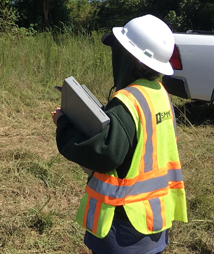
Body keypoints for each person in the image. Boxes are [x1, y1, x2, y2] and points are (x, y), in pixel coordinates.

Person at [52, 14, 187, 254]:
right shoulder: (159, 93)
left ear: (134, 60)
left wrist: (64, 125)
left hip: (125, 224)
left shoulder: (127, 100)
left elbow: (106, 154)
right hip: (154, 218)